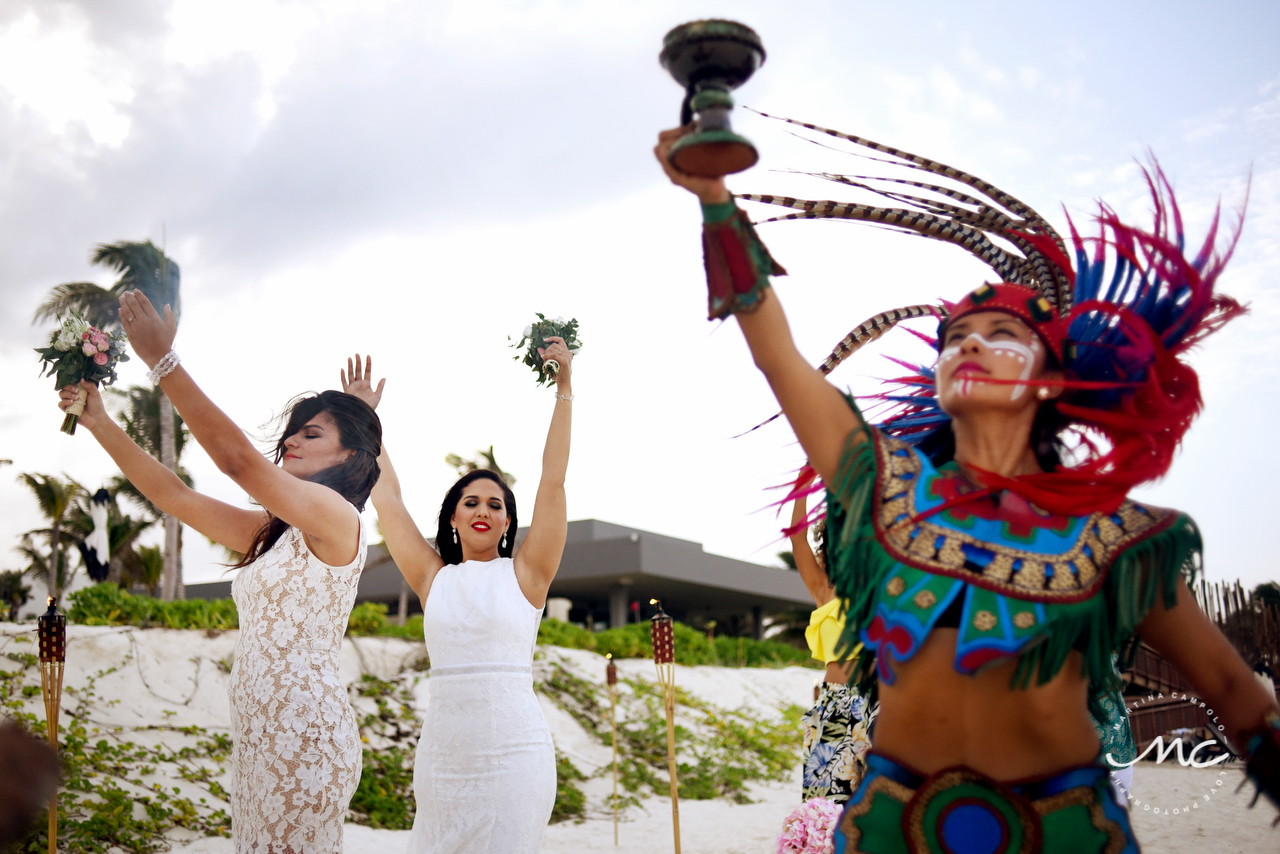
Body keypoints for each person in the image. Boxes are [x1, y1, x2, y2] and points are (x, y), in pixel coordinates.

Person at [654, 119, 1280, 851]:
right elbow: (777, 354)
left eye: (1000, 335)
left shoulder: (1112, 534)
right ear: (941, 376)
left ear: (1049, 381)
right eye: (956, 338)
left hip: (1066, 833)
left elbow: (1234, 692)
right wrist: (716, 201)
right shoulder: (885, 488)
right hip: (892, 828)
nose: (972, 344)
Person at [60, 291, 379, 854]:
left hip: (303, 736)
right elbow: (175, 496)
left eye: (312, 434)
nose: (291, 441)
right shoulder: (279, 531)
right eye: (294, 432)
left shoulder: (339, 518)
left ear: (350, 458)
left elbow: (237, 462)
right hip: (259, 737)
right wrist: (99, 423)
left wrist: (163, 361)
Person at [339, 345, 572, 854]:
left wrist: (564, 392)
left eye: (496, 504)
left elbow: (552, 481)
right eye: (471, 503)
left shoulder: (528, 575)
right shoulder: (432, 578)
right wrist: (365, 420)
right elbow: (389, 498)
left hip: (517, 757)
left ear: (509, 522)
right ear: (453, 517)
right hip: (444, 760)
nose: (483, 510)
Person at [791, 493, 876, 804]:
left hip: (882, 701)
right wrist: (803, 484)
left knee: (882, 803)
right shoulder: (823, 588)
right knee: (827, 803)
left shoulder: (883, 587)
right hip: (836, 704)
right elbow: (798, 541)